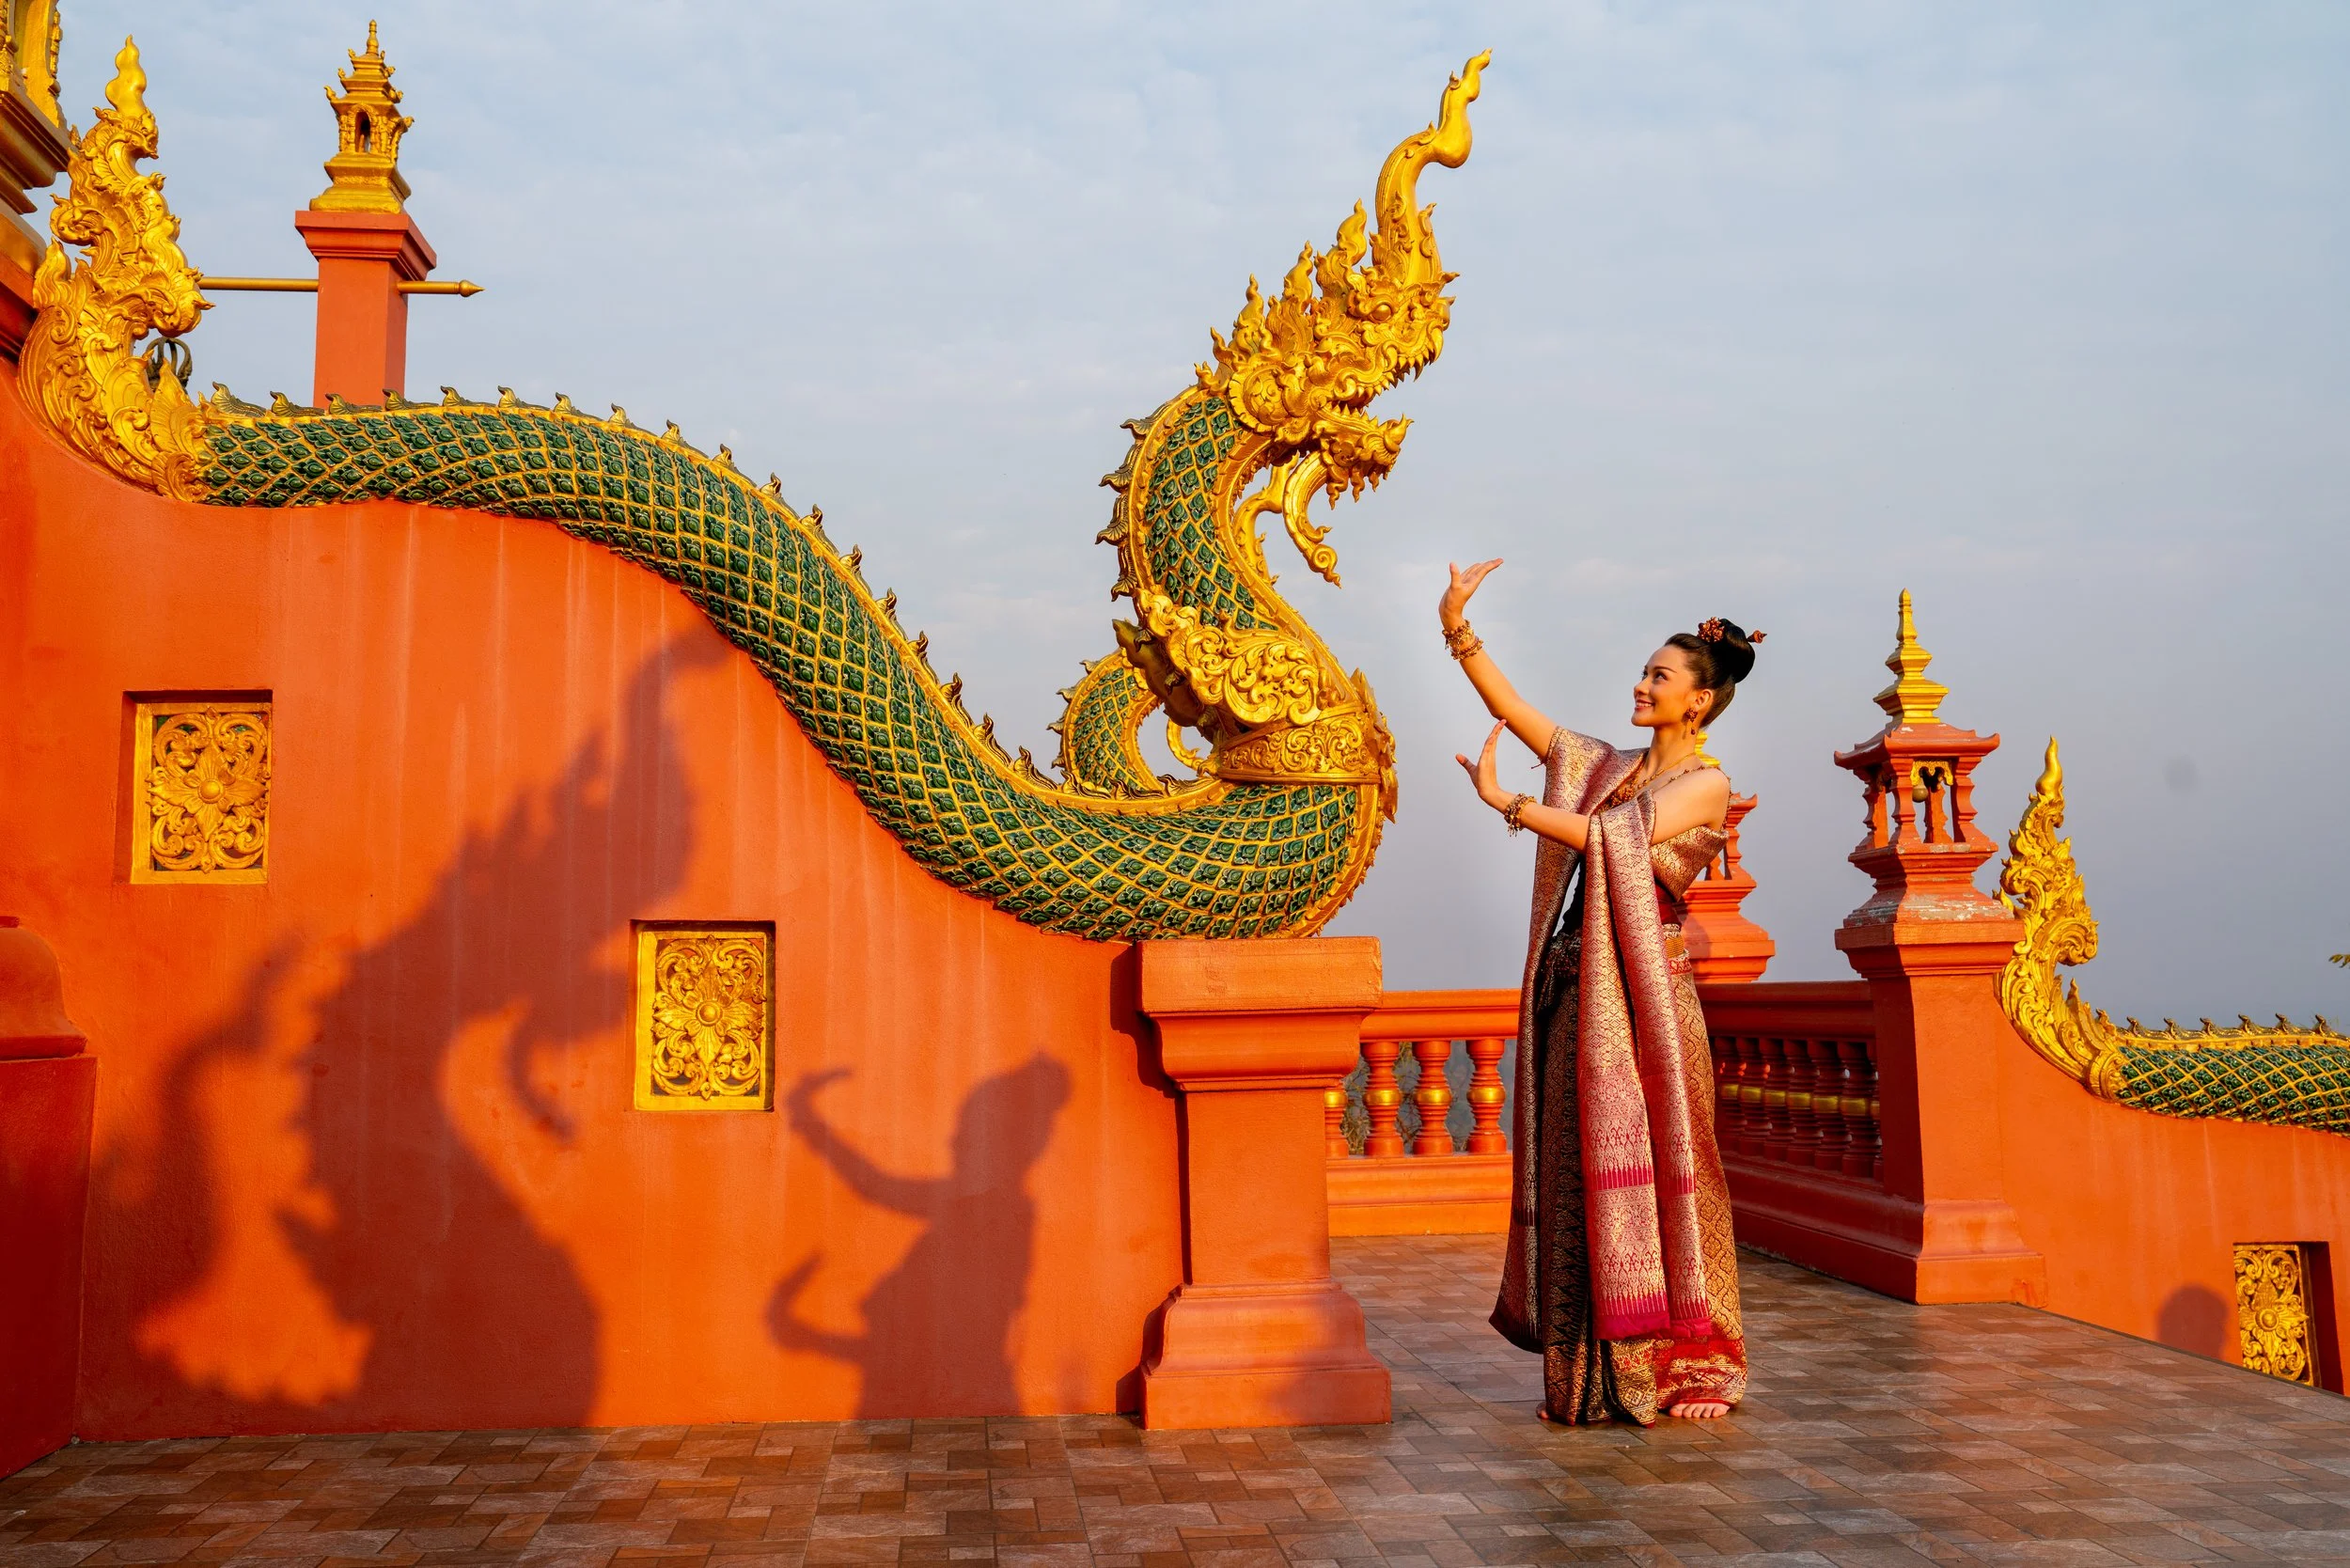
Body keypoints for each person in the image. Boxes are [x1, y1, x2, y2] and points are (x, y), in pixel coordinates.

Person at [1441, 557, 1758, 1425]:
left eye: (1659, 675)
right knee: (1578, 1179)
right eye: (1644, 670)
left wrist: (1508, 804)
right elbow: (1519, 715)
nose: (1642, 683)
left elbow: (1608, 840)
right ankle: (1588, 1375)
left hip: (1645, 1003)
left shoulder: (1706, 784)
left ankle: (1684, 1366)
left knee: (1657, 1178)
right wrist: (1456, 626)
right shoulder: (1610, 761)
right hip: (1577, 991)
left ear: (1698, 699)